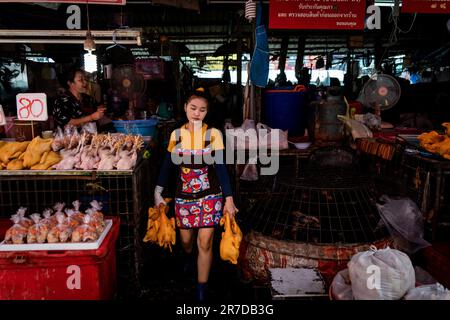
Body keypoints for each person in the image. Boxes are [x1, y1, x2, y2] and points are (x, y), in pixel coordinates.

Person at [154, 89, 238, 302]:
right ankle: (189, 257)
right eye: (193, 108)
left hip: (210, 195)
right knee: (186, 240)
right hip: (184, 196)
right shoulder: (177, 135)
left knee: (206, 241)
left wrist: (229, 199)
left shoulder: (214, 135)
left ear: (207, 112)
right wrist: (158, 191)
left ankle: (201, 290)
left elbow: (220, 168)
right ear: (185, 108)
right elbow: (167, 165)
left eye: (202, 109)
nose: (197, 113)